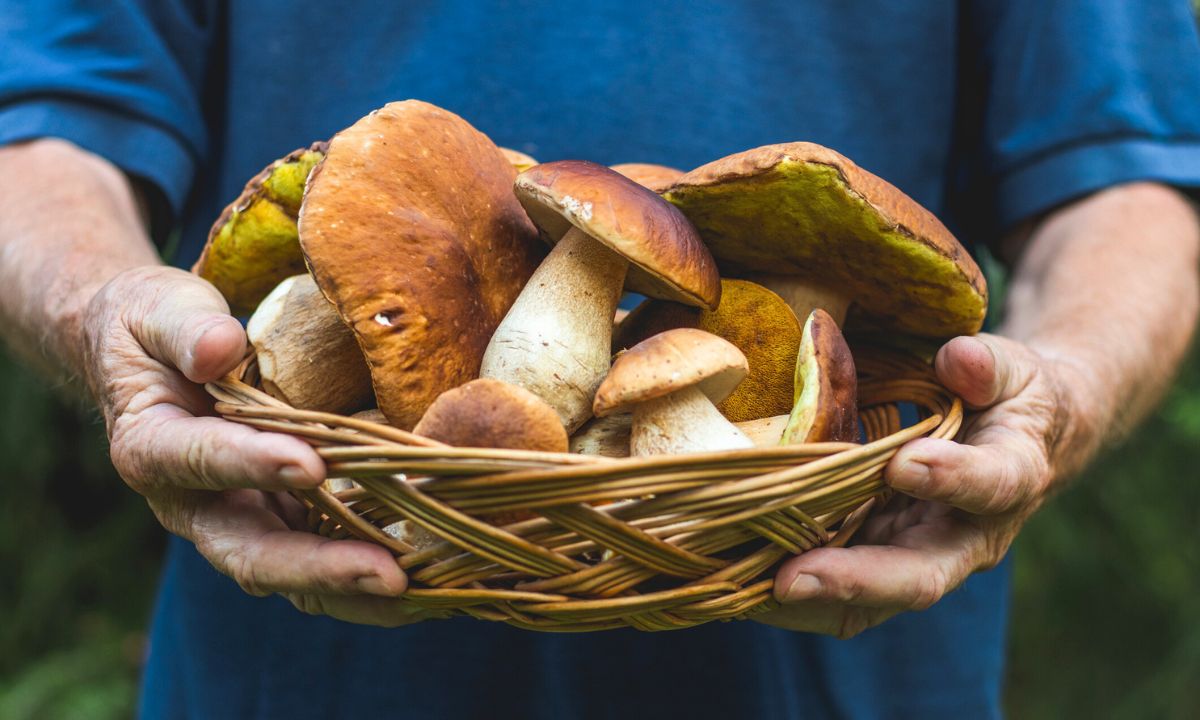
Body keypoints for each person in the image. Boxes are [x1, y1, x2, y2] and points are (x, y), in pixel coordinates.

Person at [2, 2, 1199, 718]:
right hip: (295, 646)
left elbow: (1125, 185)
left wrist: (1063, 391)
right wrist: (108, 307)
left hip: (849, 643)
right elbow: (40, 131)